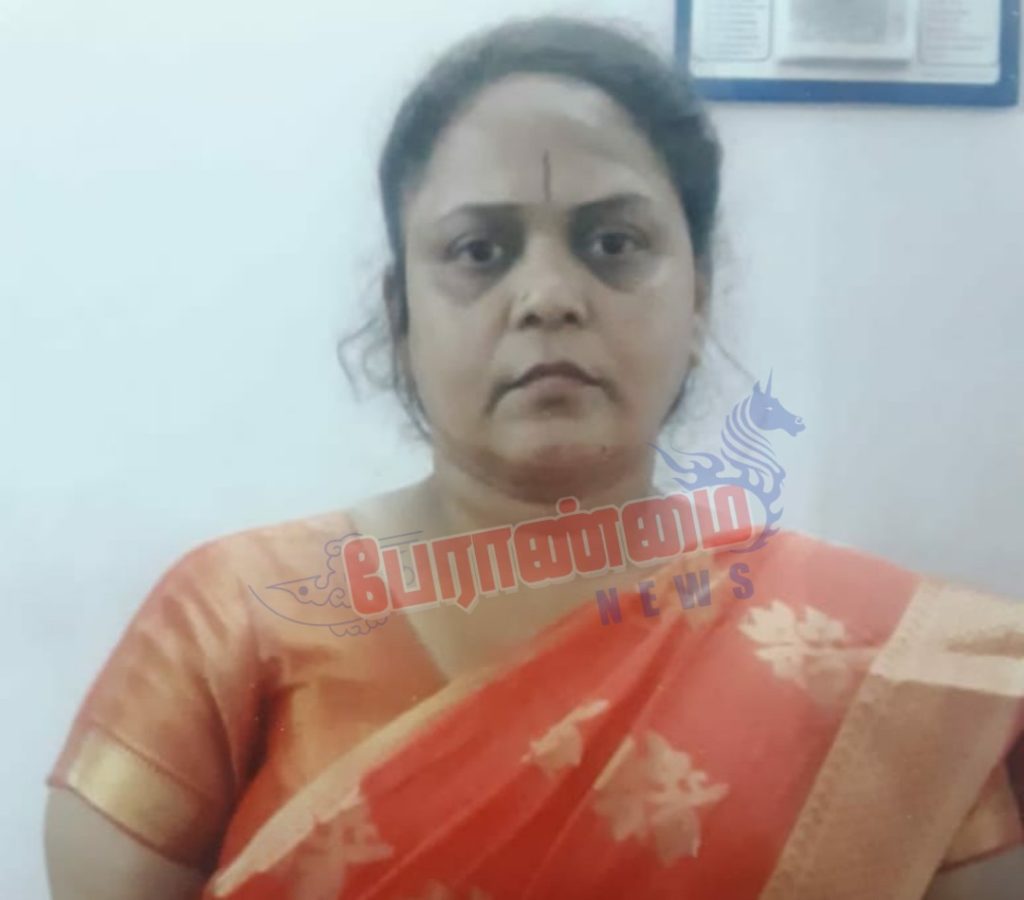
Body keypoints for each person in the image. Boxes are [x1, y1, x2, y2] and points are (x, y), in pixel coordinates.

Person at [43, 16, 1024, 900]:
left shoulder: (871, 668)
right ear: (400, 315)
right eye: (480, 251)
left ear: (697, 299)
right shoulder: (237, 618)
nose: (548, 295)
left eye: (613, 243)